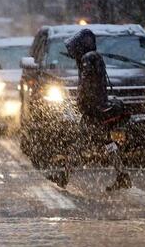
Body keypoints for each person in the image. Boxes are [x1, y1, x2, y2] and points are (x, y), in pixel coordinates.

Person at [50, 29, 132, 191]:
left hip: (93, 111)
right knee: (106, 143)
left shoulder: (88, 59)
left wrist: (83, 103)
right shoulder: (94, 57)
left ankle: (65, 176)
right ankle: (122, 175)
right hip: (98, 108)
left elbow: (87, 86)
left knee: (80, 143)